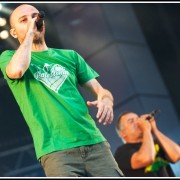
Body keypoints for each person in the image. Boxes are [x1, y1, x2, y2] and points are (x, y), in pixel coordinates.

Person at [0, 4, 124, 177]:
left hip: (94, 143)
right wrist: (29, 32)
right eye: (24, 20)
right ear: (13, 32)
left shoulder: (70, 56)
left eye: (36, 16)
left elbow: (102, 91)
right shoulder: (8, 57)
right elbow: (17, 71)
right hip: (56, 151)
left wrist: (106, 100)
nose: (33, 21)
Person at [114, 111, 180, 177]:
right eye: (131, 121)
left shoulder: (154, 142)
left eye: (138, 119)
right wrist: (146, 129)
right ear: (122, 133)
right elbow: (147, 158)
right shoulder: (121, 153)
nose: (138, 122)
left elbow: (177, 155)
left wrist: (154, 130)